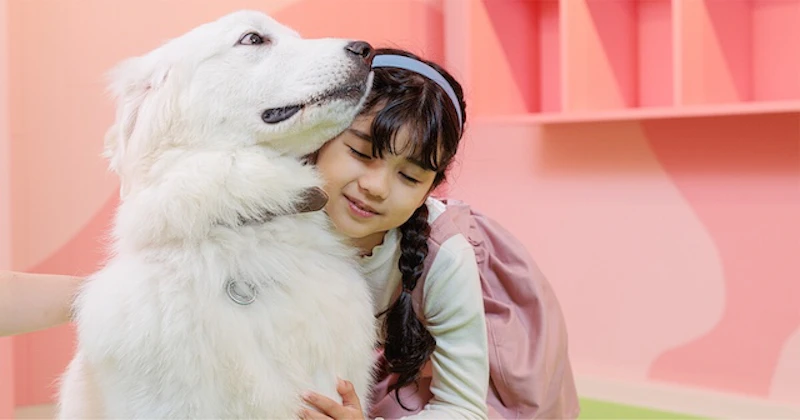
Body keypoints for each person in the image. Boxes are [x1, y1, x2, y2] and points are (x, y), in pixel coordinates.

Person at [0, 48, 579, 420]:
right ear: (321, 135)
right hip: (361, 372)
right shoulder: (281, 204)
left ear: (432, 187)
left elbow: (462, 403)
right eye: (360, 153)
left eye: (409, 176)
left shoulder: (445, 257)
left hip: (441, 385)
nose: (376, 188)